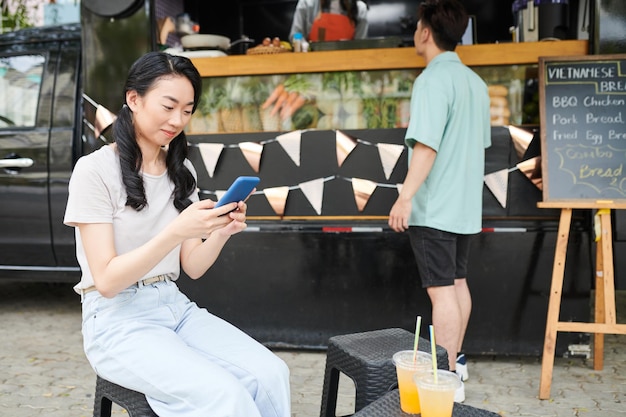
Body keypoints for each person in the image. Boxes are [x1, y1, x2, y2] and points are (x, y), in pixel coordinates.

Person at [64, 51, 291, 417]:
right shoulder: (94, 170)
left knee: (271, 374)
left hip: (173, 306)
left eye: (187, 110)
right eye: (168, 106)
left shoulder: (180, 169)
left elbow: (194, 266)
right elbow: (106, 280)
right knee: (223, 395)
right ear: (133, 99)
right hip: (116, 319)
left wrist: (221, 231)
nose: (177, 120)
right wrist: (175, 232)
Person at [387, 0, 491, 403]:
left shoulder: (432, 80)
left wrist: (405, 196)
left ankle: (444, 379)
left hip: (436, 207)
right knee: (457, 284)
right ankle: (456, 365)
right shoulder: (475, 83)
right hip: (465, 207)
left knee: (441, 292)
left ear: (426, 32)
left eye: (417, 26)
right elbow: (478, 146)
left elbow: (427, 147)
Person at [289, 0, 369, 43]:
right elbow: (296, 34)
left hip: (346, 65)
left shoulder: (360, 9)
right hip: (313, 64)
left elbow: (360, 45)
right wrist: (302, 43)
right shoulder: (306, 3)